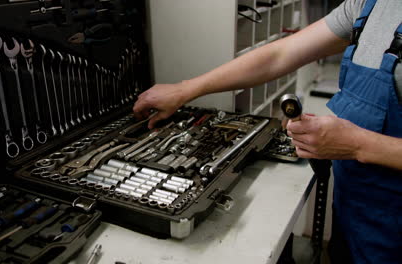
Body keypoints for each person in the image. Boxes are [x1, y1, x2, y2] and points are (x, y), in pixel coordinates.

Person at [133, 0, 402, 263]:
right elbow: (280, 55)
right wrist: (185, 90)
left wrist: (359, 144)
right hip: (355, 206)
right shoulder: (368, 5)